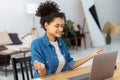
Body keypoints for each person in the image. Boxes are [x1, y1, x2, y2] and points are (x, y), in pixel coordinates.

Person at [31, 1, 104, 78]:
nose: (61, 29)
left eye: (62, 26)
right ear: (46, 25)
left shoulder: (61, 42)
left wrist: (92, 55)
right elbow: (42, 75)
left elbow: (70, 65)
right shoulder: (36, 44)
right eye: (57, 26)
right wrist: (41, 69)